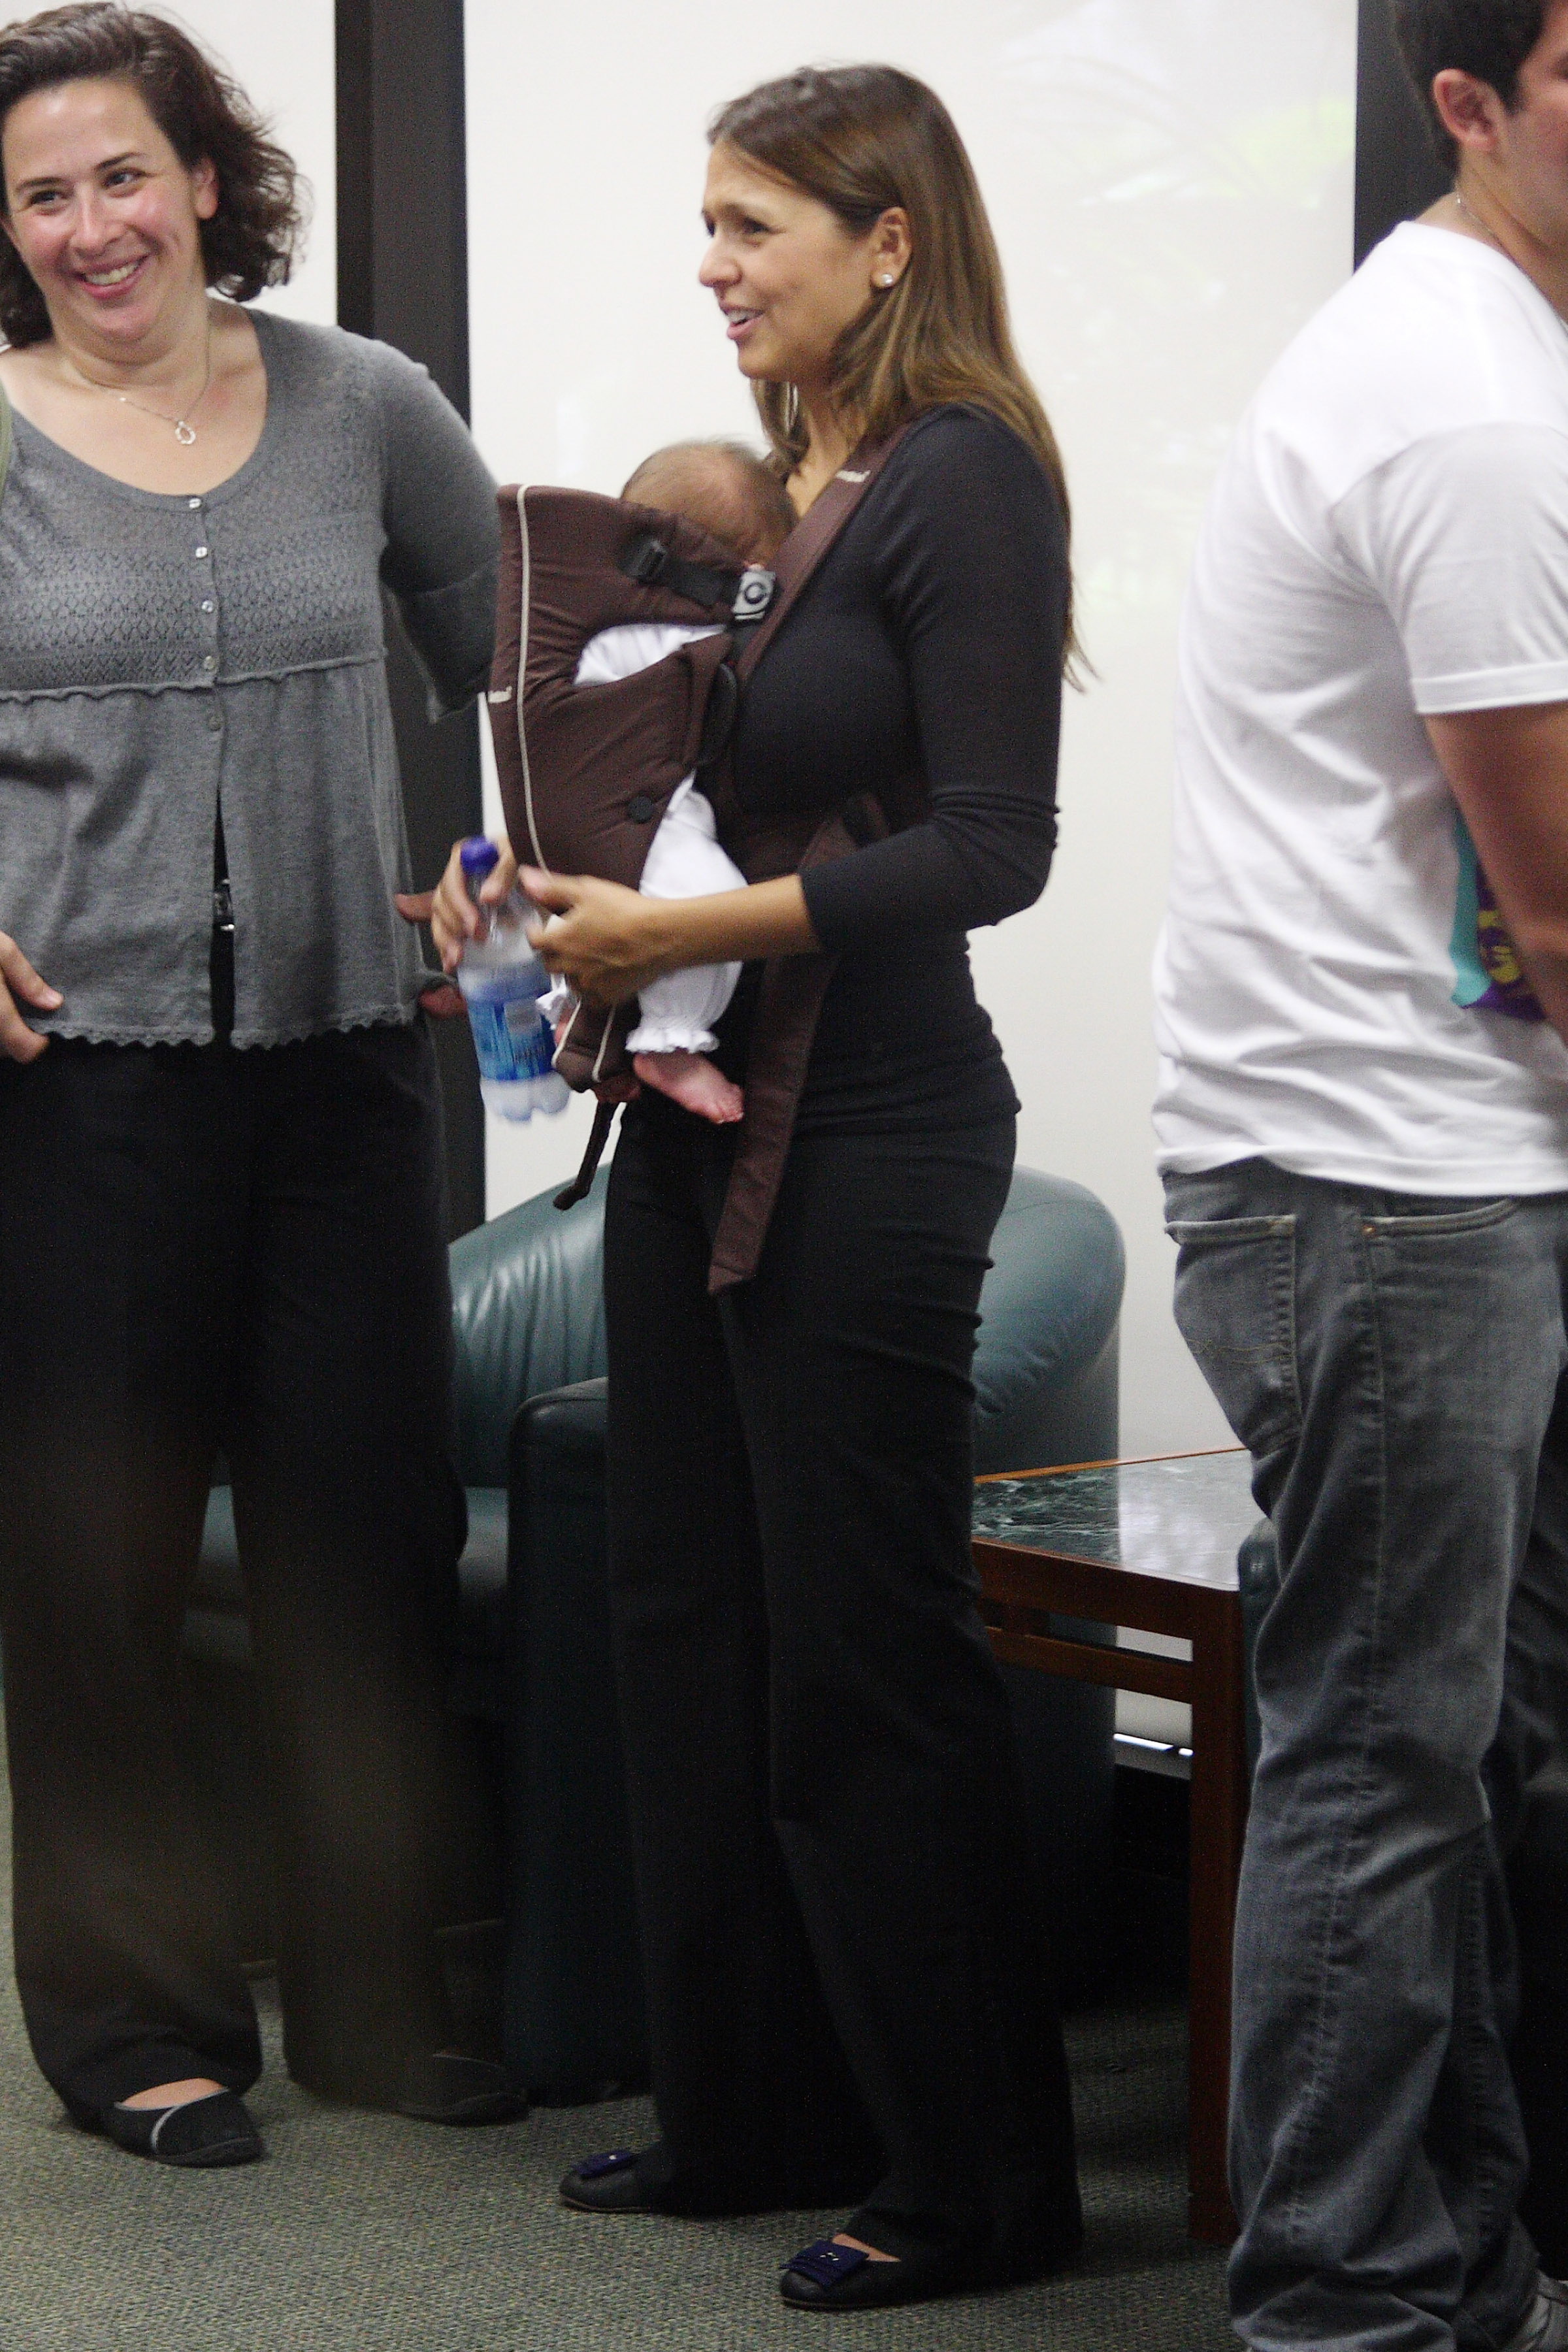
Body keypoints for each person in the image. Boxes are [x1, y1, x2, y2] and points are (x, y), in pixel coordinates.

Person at [431, 61, 1081, 2315]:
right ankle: (752, 2113)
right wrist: (519, 897)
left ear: (886, 240)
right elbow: (698, 804)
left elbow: (993, 851)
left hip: (881, 1141)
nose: (711, 268)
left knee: (859, 1670)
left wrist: (690, 938)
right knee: (687, 1638)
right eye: (706, 227)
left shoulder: (959, 485)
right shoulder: (789, 488)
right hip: (697, 1136)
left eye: (751, 228)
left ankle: (975, 2180)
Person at [0, 1, 512, 2166]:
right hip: (80, 1084)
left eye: (125, 173)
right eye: (43, 194)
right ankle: (139, 2033)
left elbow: (517, 660)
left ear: (207, 178)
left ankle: (382, 2002)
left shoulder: (362, 406)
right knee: (95, 1571)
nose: (93, 226)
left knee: (362, 1543)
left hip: (345, 1072)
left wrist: (495, 868)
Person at [1154, 1, 1568, 2344]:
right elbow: (1555, 898)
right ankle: (1338, 2302)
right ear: (1472, 100)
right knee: (1383, 1762)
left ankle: (1454, 2263)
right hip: (1378, 1185)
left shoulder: (1492, 346)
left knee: (1463, 1752)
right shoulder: (1473, 397)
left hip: (1428, 1162)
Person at [542, 437, 796, 1125]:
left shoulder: (595, 620)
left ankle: (581, 1018)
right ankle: (670, 1043)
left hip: (583, 807)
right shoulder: (661, 632)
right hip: (637, 809)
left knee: (605, 924)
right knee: (708, 902)